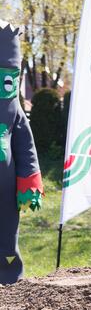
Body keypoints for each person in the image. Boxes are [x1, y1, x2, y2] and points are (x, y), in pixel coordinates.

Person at [0, 21, 44, 285]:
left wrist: (30, 181)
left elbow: (25, 147)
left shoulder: (14, 110)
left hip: (6, 189)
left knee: (7, 235)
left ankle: (8, 279)